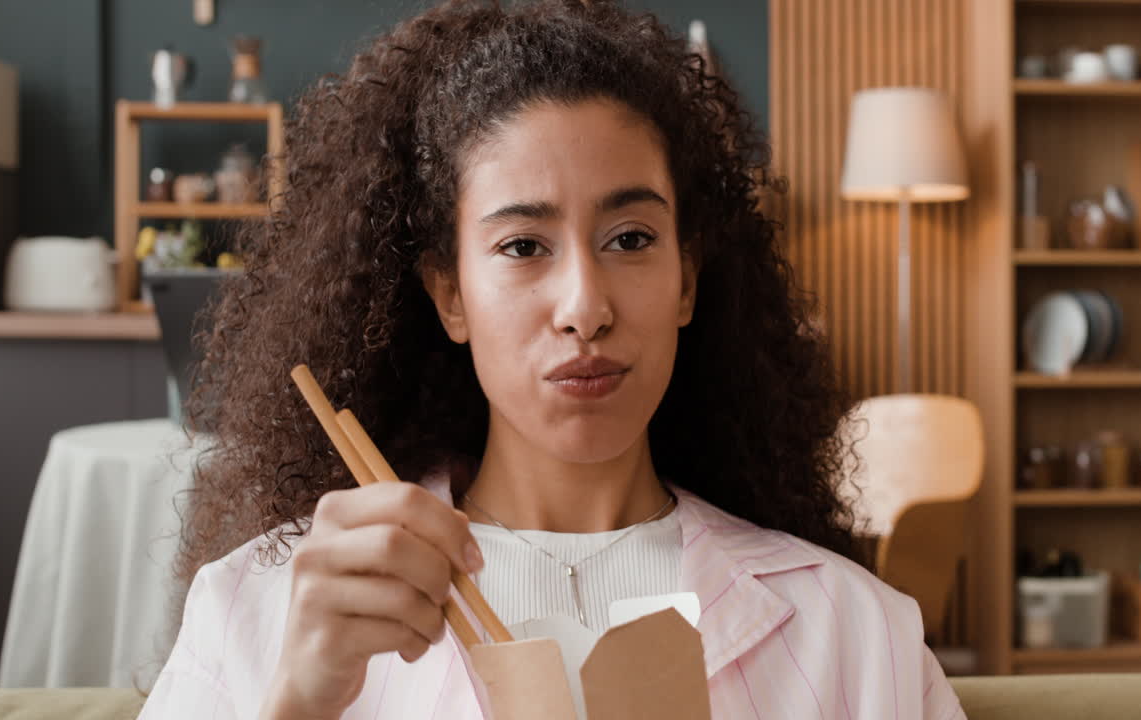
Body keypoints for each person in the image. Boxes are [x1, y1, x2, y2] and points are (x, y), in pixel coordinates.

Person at [139, 1, 966, 718]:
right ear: (449, 294)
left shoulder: (851, 629)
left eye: (632, 239)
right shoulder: (269, 605)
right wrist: (297, 705)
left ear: (687, 280)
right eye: (524, 244)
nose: (585, 307)